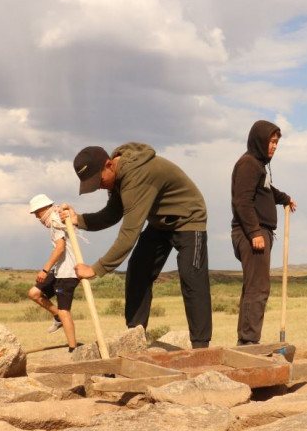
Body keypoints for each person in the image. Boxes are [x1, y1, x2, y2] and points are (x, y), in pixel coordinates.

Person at [62, 144, 212, 348]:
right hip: (160, 222)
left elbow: (129, 233)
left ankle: (201, 347)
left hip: (189, 218)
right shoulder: (117, 178)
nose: (98, 186)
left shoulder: (137, 176)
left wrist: (96, 269)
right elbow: (112, 214)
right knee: (138, 270)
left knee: (192, 277)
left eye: (98, 181)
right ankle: (135, 337)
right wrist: (78, 220)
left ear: (109, 165)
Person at [231, 120, 297, 345]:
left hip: (258, 232)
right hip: (251, 234)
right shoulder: (248, 164)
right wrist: (254, 232)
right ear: (259, 140)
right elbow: (242, 202)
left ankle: (246, 340)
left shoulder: (259, 166)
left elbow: (267, 191)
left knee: (254, 286)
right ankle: (248, 342)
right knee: (258, 287)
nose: (274, 146)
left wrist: (285, 199)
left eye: (276, 142)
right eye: (270, 141)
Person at [25, 194, 79, 353]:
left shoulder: (56, 220)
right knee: (34, 293)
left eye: (36, 212)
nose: (36, 216)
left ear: (44, 208)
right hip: (59, 270)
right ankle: (57, 317)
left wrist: (44, 269)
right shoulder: (57, 217)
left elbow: (60, 247)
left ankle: (73, 349)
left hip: (67, 272)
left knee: (65, 311)